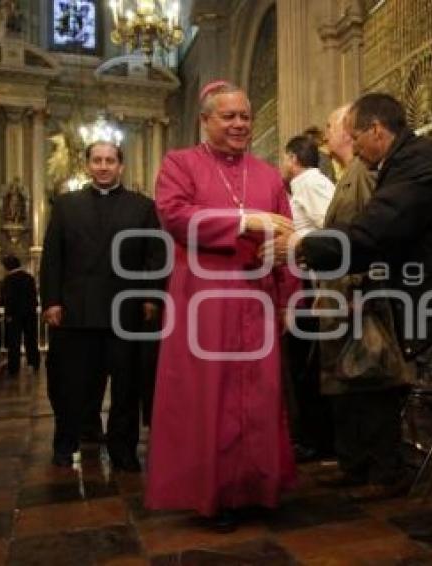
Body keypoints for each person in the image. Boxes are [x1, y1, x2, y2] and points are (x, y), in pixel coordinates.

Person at [291, 93, 432, 564]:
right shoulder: (401, 166)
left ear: (378, 130)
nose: (353, 148)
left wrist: (301, 246)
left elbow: (376, 233)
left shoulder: (417, 163)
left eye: (357, 137)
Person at [145, 81, 300, 532]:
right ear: (206, 121)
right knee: (213, 396)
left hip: (256, 298)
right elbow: (174, 215)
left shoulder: (269, 174)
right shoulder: (180, 164)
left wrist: (290, 297)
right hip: (205, 302)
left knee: (260, 395)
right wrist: (242, 220)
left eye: (245, 117)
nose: (239, 125)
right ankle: (215, 494)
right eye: (229, 116)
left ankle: (256, 489)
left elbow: (287, 237)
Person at [40, 140, 164, 470]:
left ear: (121, 166)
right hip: (76, 313)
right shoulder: (66, 205)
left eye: (110, 160)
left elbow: (156, 256)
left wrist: (152, 296)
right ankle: (65, 444)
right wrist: (51, 300)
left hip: (126, 312)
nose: (104, 166)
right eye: (97, 160)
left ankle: (123, 450)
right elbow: (53, 257)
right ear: (87, 165)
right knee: (70, 385)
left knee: (126, 387)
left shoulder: (143, 207)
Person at [312, 103, 415, 501]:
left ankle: (384, 470)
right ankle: (354, 464)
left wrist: (362, 288)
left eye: (336, 126)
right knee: (345, 384)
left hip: (358, 298)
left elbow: (375, 236)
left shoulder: (363, 175)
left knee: (372, 382)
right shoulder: (344, 176)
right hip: (340, 298)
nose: (331, 133)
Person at [278, 133, 336, 462]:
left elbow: (331, 227)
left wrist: (297, 242)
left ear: (292, 158)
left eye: (283, 159)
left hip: (314, 284)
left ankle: (316, 439)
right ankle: (310, 436)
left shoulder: (309, 182)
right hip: (309, 283)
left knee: (309, 366)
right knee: (304, 365)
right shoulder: (303, 185)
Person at [0, 255, 39, 376]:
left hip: (14, 315)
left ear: (7, 267)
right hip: (30, 314)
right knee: (31, 339)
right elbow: (34, 298)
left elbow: (8, 299)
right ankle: (34, 363)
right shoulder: (29, 278)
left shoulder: (8, 279)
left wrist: (8, 314)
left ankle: (13, 368)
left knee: (14, 342)